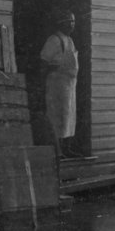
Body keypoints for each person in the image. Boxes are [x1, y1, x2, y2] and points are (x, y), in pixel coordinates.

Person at [40, 9, 79, 158]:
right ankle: (58, 151)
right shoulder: (54, 40)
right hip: (56, 85)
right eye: (69, 22)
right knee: (57, 117)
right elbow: (43, 62)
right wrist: (50, 70)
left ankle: (67, 149)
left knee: (69, 117)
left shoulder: (70, 41)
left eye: (73, 22)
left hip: (69, 86)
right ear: (61, 23)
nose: (72, 25)